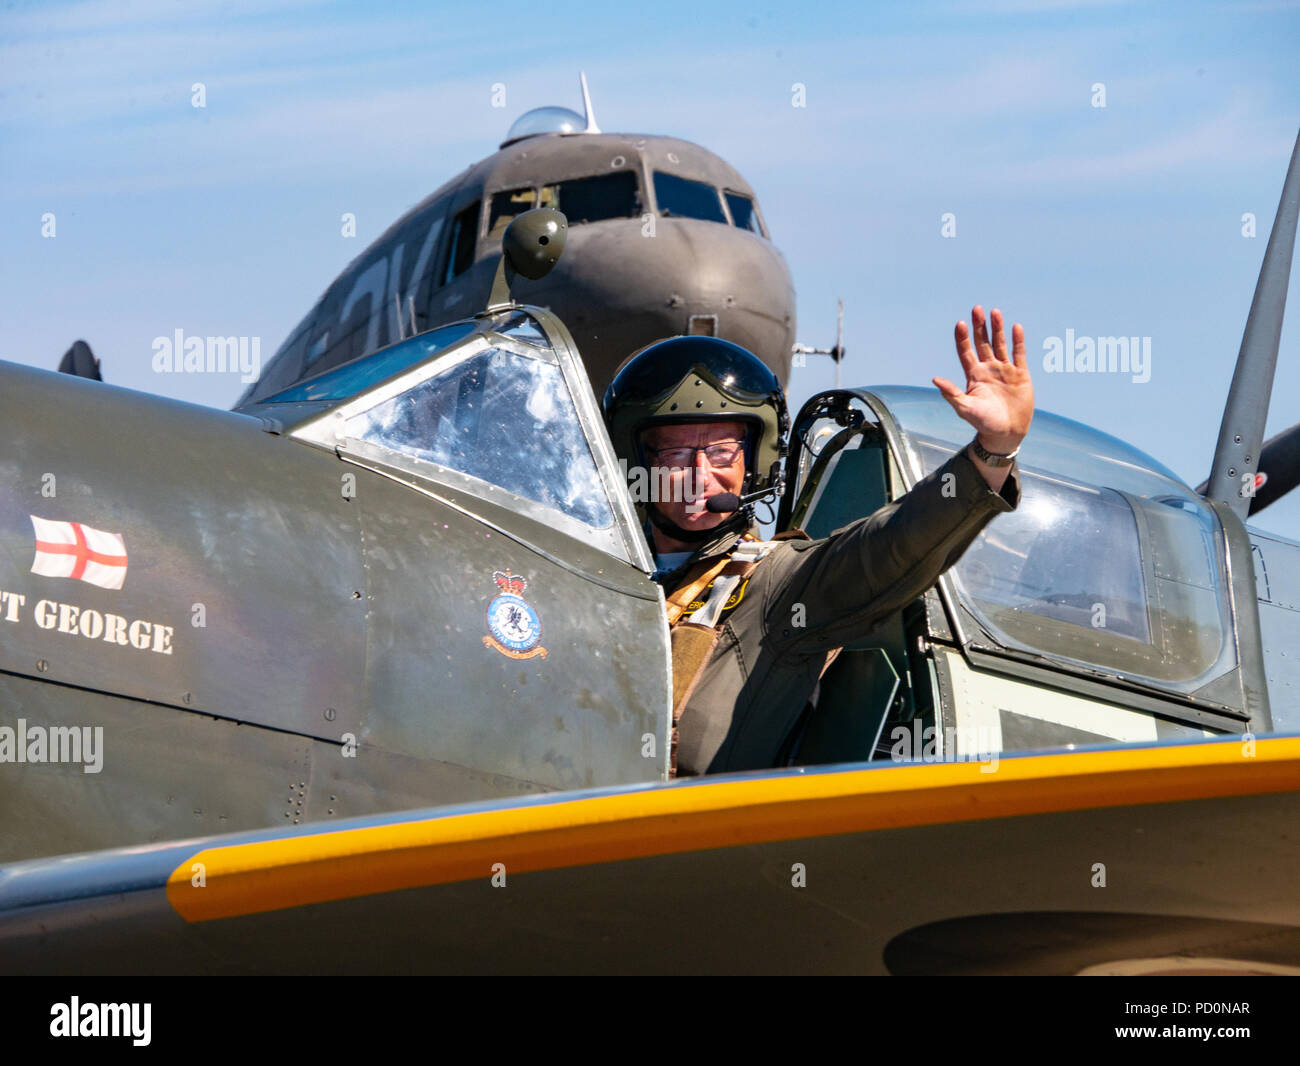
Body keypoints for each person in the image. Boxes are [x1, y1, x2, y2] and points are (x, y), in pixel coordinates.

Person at [602, 306, 1033, 777]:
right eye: (674, 451)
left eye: (722, 450)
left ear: (755, 461)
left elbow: (891, 548)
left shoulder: (778, 584)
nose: (698, 473)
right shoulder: (597, 576)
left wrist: (991, 453)